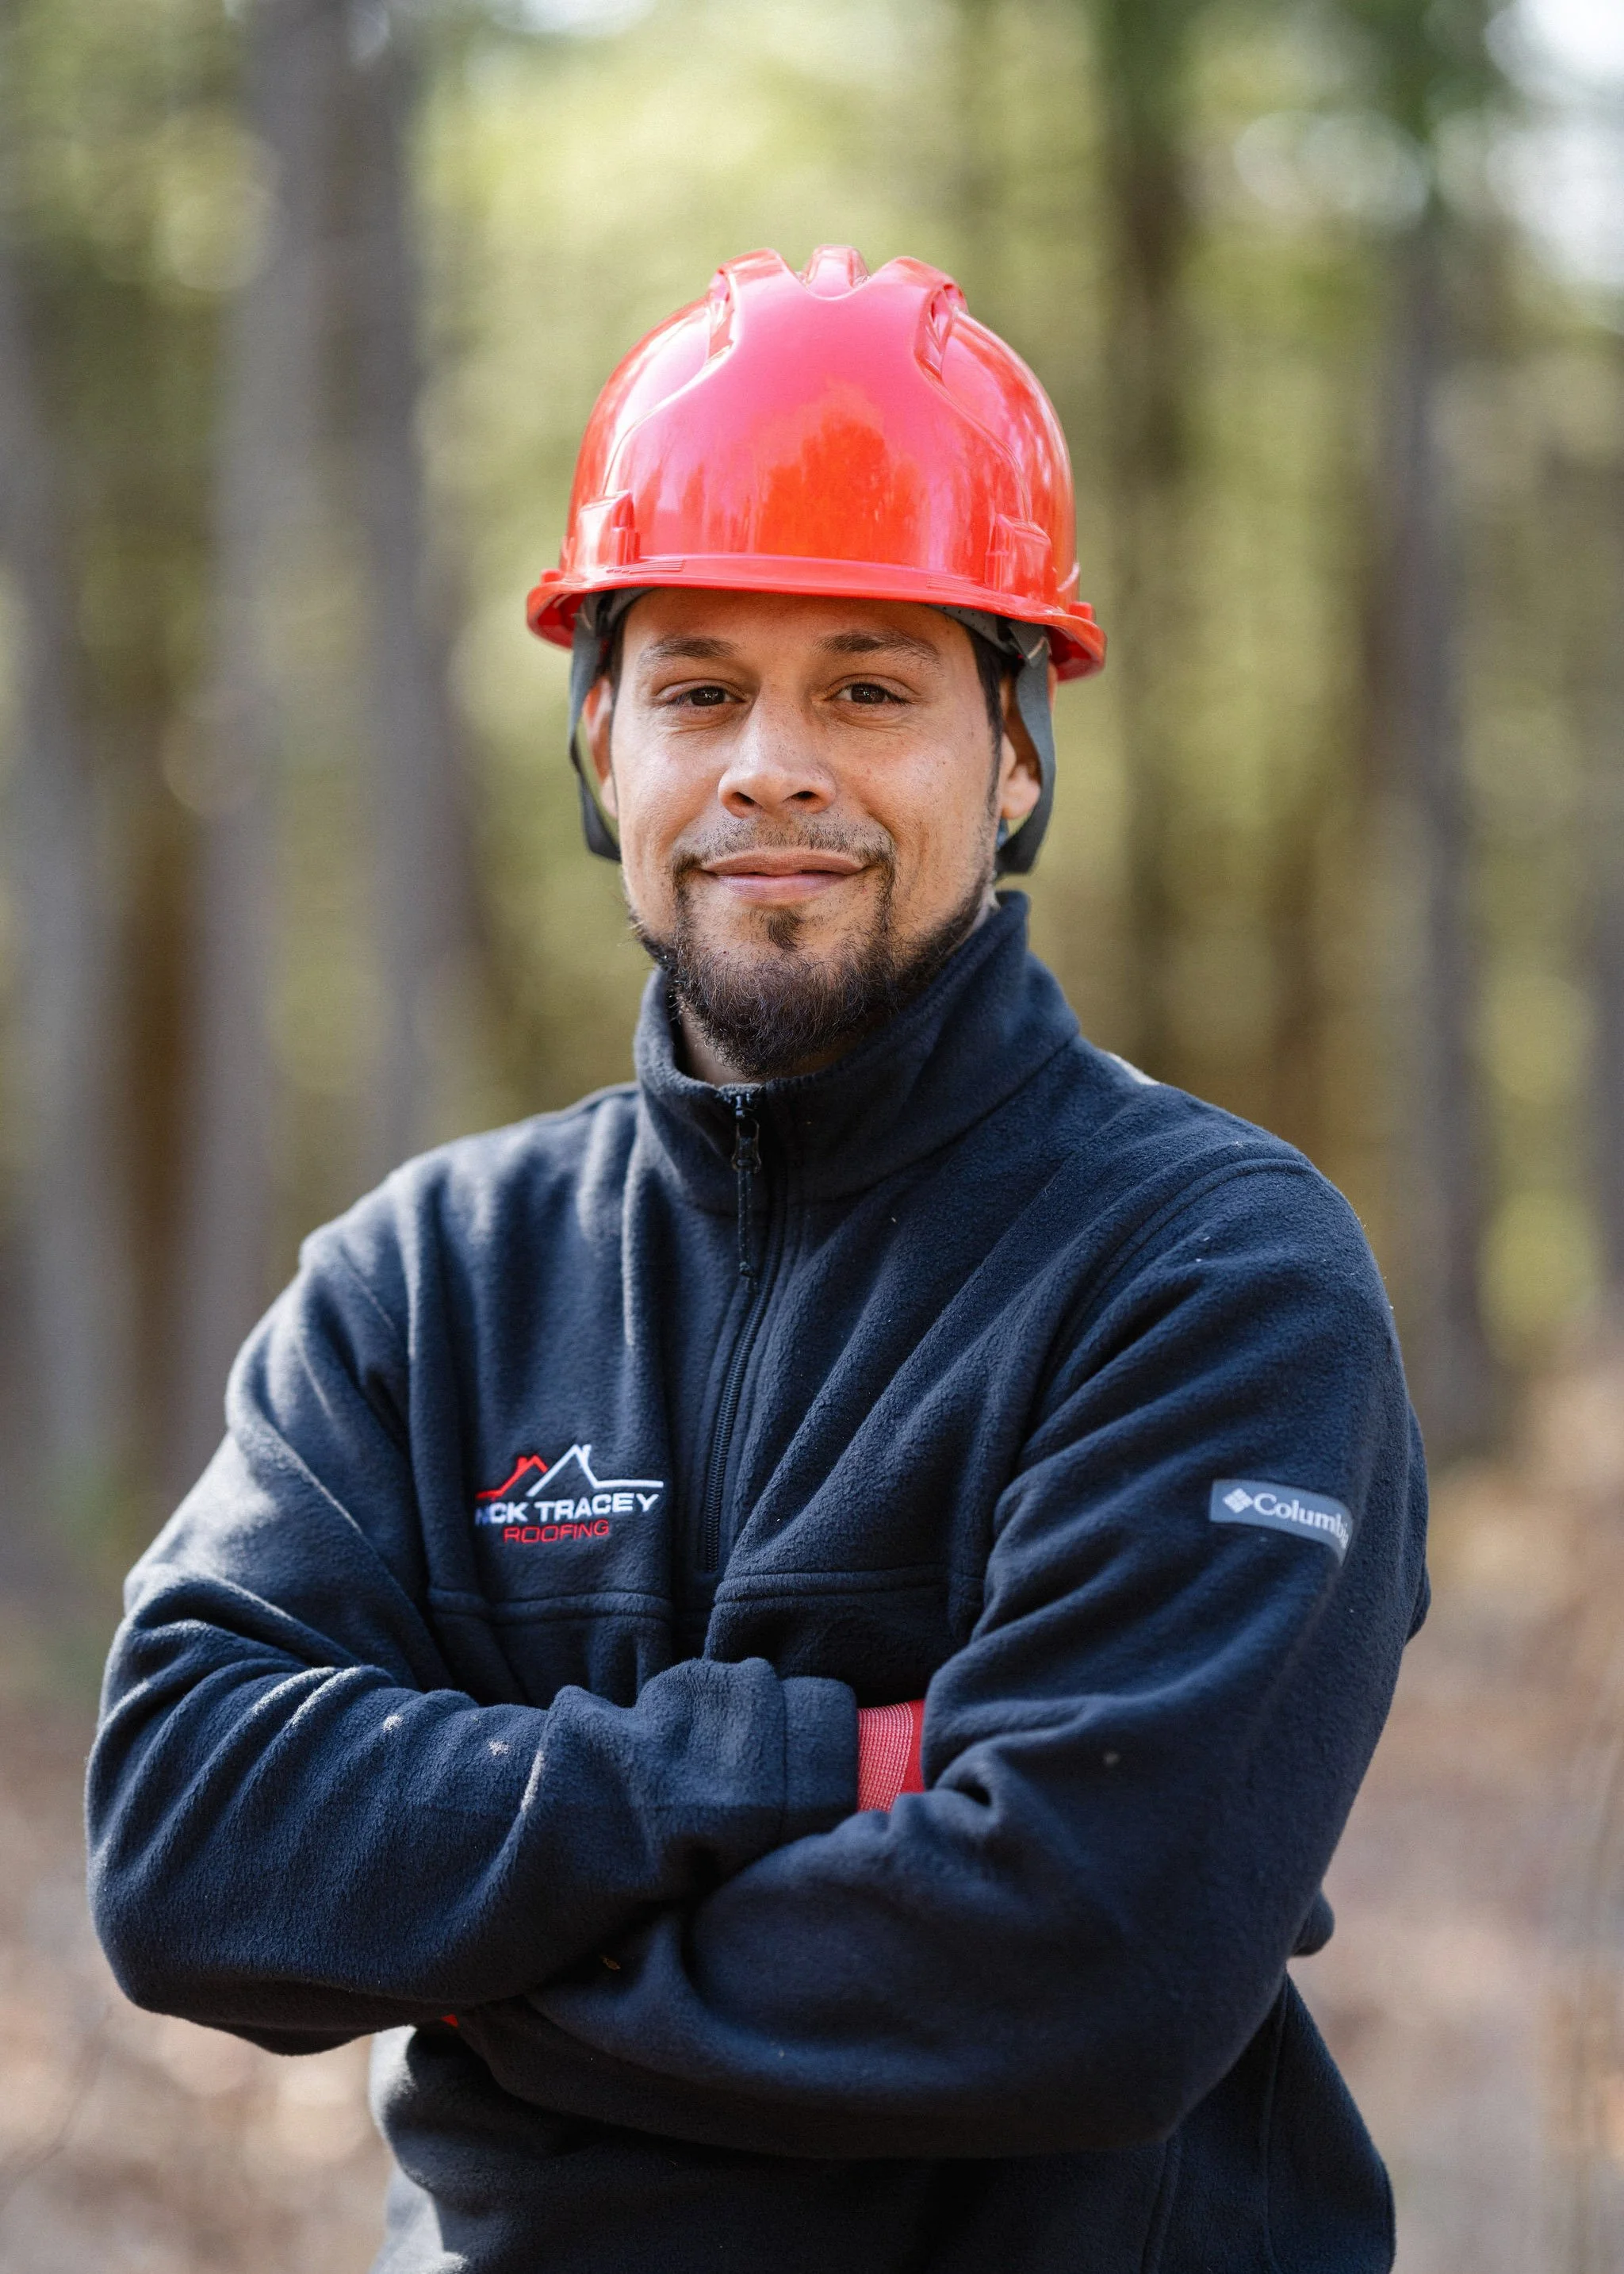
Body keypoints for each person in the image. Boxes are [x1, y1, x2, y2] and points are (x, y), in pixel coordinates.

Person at [88, 247, 1428, 2274]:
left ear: (1017, 747)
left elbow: (1085, 1962)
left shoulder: (1205, 1271)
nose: (769, 765)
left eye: (867, 687)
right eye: (700, 687)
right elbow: (192, 1843)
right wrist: (806, 1760)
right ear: (600, 743)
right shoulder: (424, 1281)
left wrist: (473, 1976)